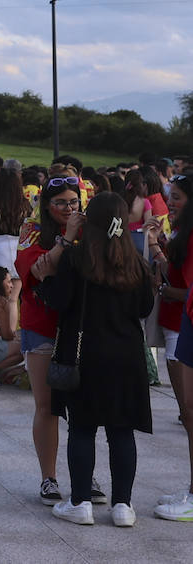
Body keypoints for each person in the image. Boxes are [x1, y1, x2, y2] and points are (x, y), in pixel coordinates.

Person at [40, 192, 153, 527]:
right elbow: (144, 308)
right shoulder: (135, 261)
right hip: (127, 354)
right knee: (121, 430)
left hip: (85, 352)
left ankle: (81, 503)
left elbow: (59, 301)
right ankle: (122, 506)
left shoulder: (76, 258)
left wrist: (47, 276)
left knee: (83, 428)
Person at [16, 178, 95, 507]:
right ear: (46, 205)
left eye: (74, 201)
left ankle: (84, 473)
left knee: (82, 406)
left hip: (81, 325)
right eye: (61, 202)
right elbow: (37, 268)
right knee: (47, 405)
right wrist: (66, 239)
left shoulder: (91, 228)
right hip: (42, 325)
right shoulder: (32, 231)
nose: (69, 208)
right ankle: (49, 477)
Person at [153, 172, 193, 521]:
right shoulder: (183, 232)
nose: (171, 202)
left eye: (178, 196)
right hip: (182, 325)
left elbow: (187, 290)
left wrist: (166, 291)